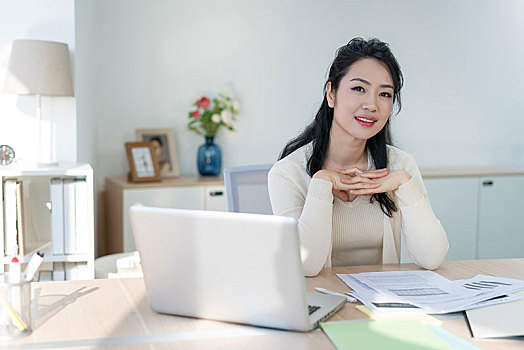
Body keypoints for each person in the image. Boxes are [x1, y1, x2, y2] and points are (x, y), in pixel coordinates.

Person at [268, 38, 448, 277]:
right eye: (359, 89)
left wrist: (405, 183)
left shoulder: (400, 166)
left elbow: (432, 257)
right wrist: (321, 182)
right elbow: (305, 266)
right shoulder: (288, 173)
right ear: (331, 94)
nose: (372, 105)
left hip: (382, 305)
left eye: (384, 94)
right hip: (321, 306)